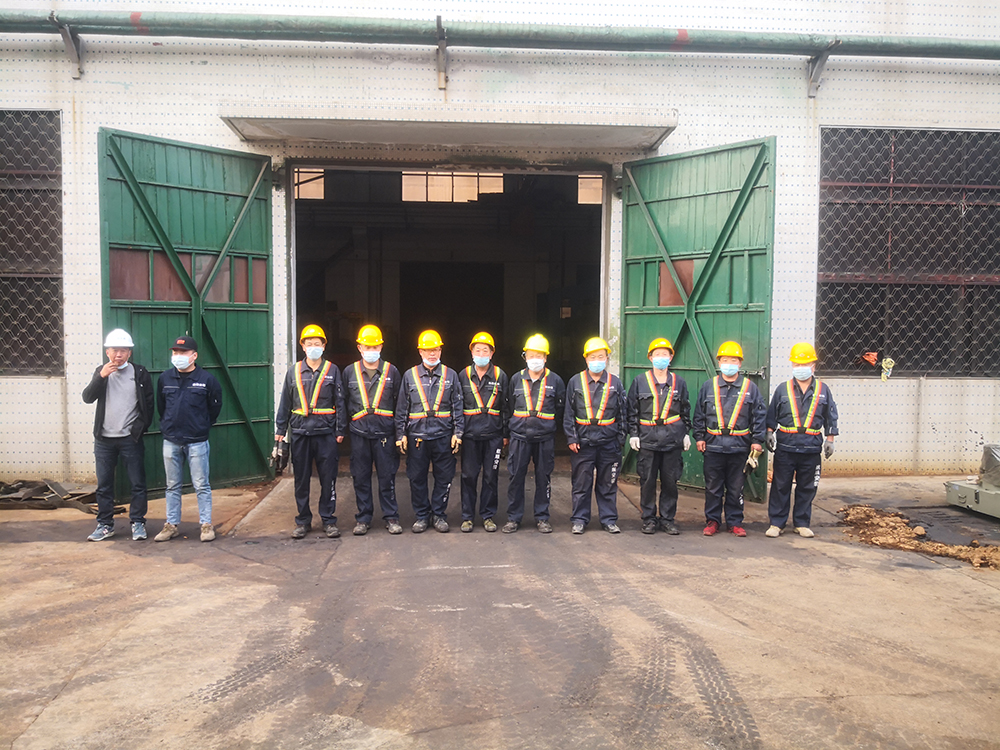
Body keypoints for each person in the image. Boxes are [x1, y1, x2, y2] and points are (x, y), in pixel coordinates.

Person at [82, 328, 154, 541]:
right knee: (104, 485)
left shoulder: (139, 373)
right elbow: (87, 397)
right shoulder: (101, 372)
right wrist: (101, 376)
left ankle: (138, 522)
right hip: (104, 439)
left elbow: (149, 405)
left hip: (130, 439)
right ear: (107, 352)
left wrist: (137, 430)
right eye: (114, 350)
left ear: (129, 353)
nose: (118, 354)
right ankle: (105, 524)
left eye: (123, 350)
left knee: (137, 483)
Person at [275, 324, 346, 539]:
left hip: (325, 434)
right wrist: (280, 428)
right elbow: (285, 402)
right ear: (303, 346)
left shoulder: (333, 370)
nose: (313, 347)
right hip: (300, 433)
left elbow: (340, 402)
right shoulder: (294, 371)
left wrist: (340, 429)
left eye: (317, 343)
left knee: (328, 478)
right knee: (301, 479)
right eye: (309, 343)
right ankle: (303, 520)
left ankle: (328, 520)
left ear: (324, 346)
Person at [765, 342, 839, 539]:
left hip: (811, 448)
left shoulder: (823, 390)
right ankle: (777, 523)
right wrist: (769, 432)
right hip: (786, 447)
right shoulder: (782, 389)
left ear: (813, 365)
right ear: (792, 365)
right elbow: (772, 413)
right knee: (780, 486)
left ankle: (802, 523)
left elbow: (831, 416)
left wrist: (830, 439)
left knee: (807, 487)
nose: (801, 368)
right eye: (797, 364)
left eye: (805, 364)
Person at [692, 341, 766, 537]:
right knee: (713, 488)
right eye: (725, 360)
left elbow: (759, 416)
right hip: (713, 447)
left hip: (739, 448)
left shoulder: (750, 388)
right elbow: (699, 414)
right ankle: (712, 521)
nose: (729, 364)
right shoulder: (708, 386)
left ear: (740, 363)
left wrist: (757, 441)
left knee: (736, 488)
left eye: (733, 360)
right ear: (719, 362)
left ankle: (734, 522)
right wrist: (699, 437)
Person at [154, 335, 223, 543]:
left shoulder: (207, 380)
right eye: (175, 352)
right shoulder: (165, 378)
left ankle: (206, 525)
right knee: (172, 485)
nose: (178, 356)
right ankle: (171, 525)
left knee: (201, 485)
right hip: (171, 440)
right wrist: (169, 426)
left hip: (197, 440)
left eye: (183, 352)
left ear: (194, 356)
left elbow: (214, 408)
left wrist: (201, 426)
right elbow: (161, 407)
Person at [395, 330, 464, 533]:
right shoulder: (409, 376)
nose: (431, 353)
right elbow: (402, 408)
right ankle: (422, 516)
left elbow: (457, 407)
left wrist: (458, 433)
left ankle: (439, 515)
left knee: (444, 477)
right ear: (420, 351)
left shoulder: (451, 375)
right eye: (427, 350)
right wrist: (400, 434)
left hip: (443, 436)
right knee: (417, 478)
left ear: (440, 350)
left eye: (435, 349)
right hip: (418, 438)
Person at [626, 337, 692, 535]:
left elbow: (685, 410)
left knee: (670, 482)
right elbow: (632, 410)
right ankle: (648, 519)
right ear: (650, 357)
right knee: (647, 481)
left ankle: (667, 519)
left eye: (665, 354)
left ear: (671, 357)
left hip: (672, 440)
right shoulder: (639, 381)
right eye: (657, 354)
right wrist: (634, 434)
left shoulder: (679, 382)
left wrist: (686, 433)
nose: (661, 358)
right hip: (648, 440)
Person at [343, 324, 402, 536]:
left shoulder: (392, 371)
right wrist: (342, 430)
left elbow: (399, 404)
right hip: (359, 434)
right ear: (359, 347)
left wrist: (399, 433)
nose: (371, 350)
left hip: (384, 434)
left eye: (375, 346)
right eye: (367, 346)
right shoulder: (349, 372)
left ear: (381, 347)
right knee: (360, 477)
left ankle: (391, 517)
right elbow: (343, 403)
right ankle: (363, 518)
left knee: (387, 477)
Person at [503, 333, 566, 534]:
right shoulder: (516, 379)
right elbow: (509, 407)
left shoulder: (555, 380)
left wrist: (549, 427)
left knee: (543, 478)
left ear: (546, 357)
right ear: (525, 357)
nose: (535, 359)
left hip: (544, 438)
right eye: (531, 355)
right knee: (515, 477)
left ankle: (542, 517)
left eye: (539, 355)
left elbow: (560, 409)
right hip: (519, 437)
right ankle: (513, 518)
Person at [564, 337, 627, 534]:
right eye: (593, 357)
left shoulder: (615, 383)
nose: (597, 360)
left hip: (609, 442)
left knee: (608, 484)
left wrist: (621, 439)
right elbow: (568, 413)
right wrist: (571, 438)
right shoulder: (575, 382)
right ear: (586, 359)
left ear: (607, 358)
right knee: (581, 484)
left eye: (601, 356)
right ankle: (579, 519)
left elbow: (623, 413)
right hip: (583, 443)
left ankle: (608, 519)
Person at [458, 332, 508, 532]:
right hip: (470, 436)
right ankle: (467, 517)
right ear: (471, 352)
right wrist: (458, 433)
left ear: (492, 353)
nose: (481, 354)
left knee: (490, 476)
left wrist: (505, 435)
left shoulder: (500, 375)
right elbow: (457, 406)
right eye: (477, 350)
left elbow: (506, 407)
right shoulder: (462, 375)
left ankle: (488, 516)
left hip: (493, 437)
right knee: (468, 477)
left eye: (485, 350)